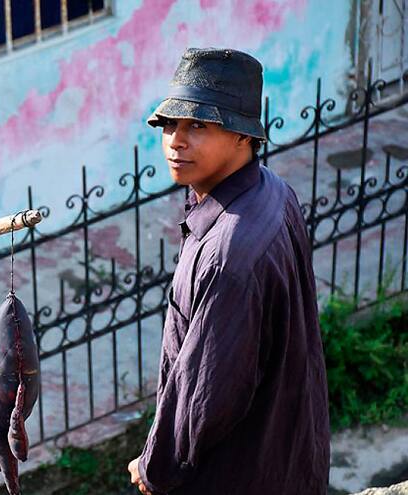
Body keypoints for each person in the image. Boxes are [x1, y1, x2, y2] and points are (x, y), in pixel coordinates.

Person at [126, 48, 330, 494]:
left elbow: (206, 393)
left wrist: (154, 466)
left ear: (243, 136)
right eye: (170, 124)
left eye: (198, 125)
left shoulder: (228, 255)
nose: (176, 141)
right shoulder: (272, 190)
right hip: (287, 459)